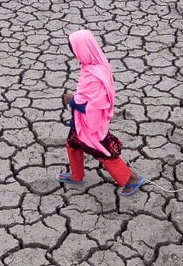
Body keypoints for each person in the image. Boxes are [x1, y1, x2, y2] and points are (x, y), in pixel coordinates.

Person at [57, 29, 146, 196]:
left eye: (74, 49)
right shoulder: (91, 66)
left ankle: (131, 178)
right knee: (72, 144)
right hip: (81, 122)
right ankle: (77, 175)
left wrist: (72, 100)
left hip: (92, 125)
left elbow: (94, 105)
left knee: (104, 152)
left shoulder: (95, 75)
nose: (73, 52)